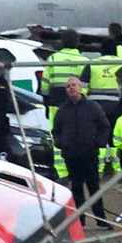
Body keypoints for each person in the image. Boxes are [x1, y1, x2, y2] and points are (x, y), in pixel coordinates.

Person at [52, 77, 109, 224]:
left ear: (80, 87)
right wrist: (61, 143)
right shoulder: (62, 110)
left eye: (74, 85)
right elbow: (56, 130)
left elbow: (104, 126)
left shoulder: (93, 107)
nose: (71, 88)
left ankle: (101, 219)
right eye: (68, 86)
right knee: (76, 189)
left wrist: (98, 143)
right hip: (71, 155)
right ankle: (80, 221)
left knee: (94, 187)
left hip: (89, 154)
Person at [40, 31, 91, 179]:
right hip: (78, 105)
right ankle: (79, 169)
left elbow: (45, 84)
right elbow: (86, 86)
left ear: (62, 42)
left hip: (57, 104)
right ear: (77, 42)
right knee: (78, 134)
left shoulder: (53, 58)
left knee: (58, 135)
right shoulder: (84, 60)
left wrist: (46, 101)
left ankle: (62, 171)